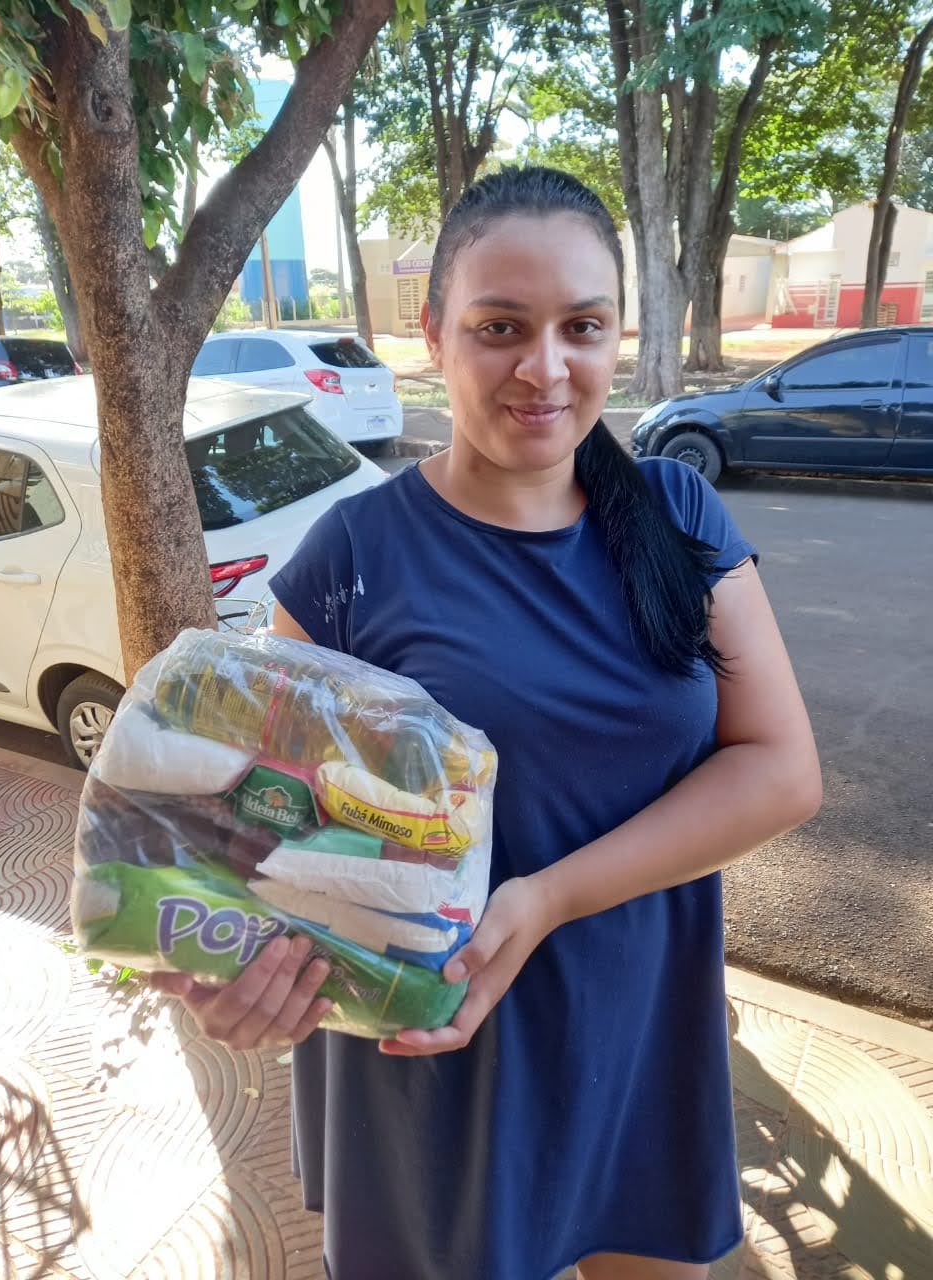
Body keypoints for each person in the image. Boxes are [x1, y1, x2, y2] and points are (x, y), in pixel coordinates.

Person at [152, 167, 821, 1280]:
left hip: (636, 1024)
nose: (545, 367)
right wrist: (238, 961)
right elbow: (264, 834)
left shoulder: (677, 512)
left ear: (618, 335)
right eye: (501, 326)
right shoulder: (350, 561)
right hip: (435, 1051)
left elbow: (782, 768)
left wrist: (549, 896)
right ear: (434, 333)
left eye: (582, 326)